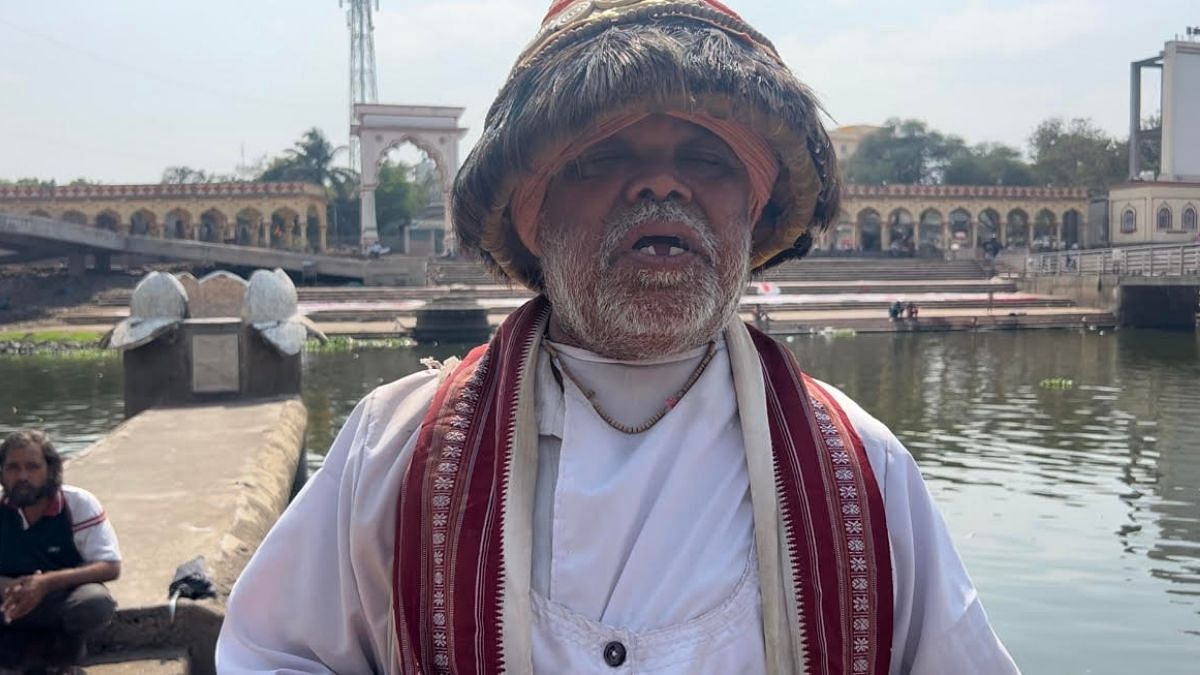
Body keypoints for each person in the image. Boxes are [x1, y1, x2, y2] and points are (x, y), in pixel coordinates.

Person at [218, 2, 1019, 673]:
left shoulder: (863, 470)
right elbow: (270, 652)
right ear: (535, 211)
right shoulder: (394, 450)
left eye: (706, 156)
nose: (661, 183)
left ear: (751, 208)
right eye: (606, 155)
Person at [0, 431, 121, 666]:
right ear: (2, 473)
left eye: (32, 467)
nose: (22, 476)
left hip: (58, 599)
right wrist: (7, 586)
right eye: (13, 467)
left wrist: (45, 583)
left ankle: (61, 657)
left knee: (95, 602)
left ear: (50, 470)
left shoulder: (78, 504)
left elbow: (109, 566)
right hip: (7, 600)